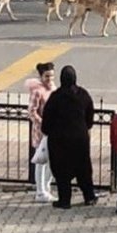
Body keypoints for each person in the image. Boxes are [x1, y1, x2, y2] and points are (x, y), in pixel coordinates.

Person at [41, 66, 97, 209]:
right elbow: (90, 116)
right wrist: (85, 127)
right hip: (80, 140)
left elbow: (47, 120)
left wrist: (48, 131)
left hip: (60, 142)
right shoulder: (83, 95)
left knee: (62, 171)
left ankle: (64, 200)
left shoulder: (56, 97)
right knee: (83, 169)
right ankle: (89, 197)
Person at [26, 62, 56, 203]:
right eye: (47, 76)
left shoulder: (53, 88)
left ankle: (46, 185)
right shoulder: (37, 91)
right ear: (41, 76)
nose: (49, 78)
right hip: (41, 131)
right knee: (41, 160)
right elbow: (32, 112)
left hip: (53, 130)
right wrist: (42, 123)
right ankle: (40, 191)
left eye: (51, 75)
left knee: (52, 160)